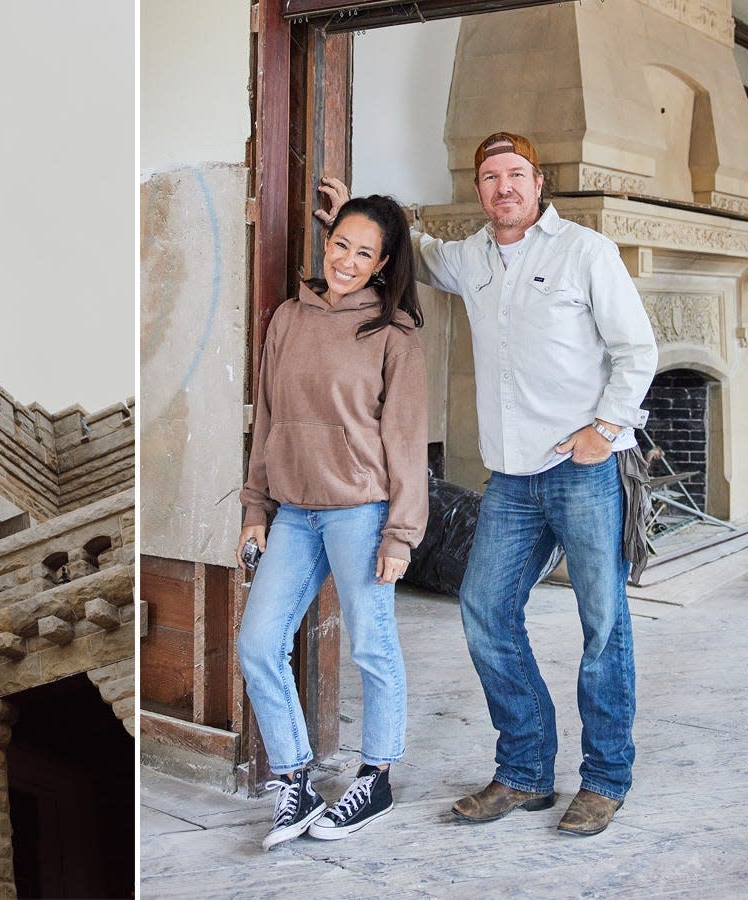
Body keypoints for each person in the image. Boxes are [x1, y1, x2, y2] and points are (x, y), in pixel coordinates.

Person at [320, 131, 658, 836]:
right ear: (480, 191)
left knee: (604, 626)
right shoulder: (468, 257)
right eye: (490, 177)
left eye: (516, 175)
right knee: (484, 611)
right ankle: (526, 771)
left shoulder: (584, 252)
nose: (504, 187)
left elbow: (637, 348)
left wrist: (605, 427)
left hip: (583, 468)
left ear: (539, 183)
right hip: (512, 476)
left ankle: (605, 779)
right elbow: (408, 246)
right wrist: (349, 220)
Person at [235, 194, 428, 850]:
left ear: (382, 265)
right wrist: (254, 509)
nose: (347, 260)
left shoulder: (393, 335)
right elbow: (267, 418)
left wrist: (401, 534)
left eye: (364, 252)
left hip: (360, 511)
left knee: (372, 644)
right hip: (292, 513)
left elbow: (404, 439)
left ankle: (375, 779)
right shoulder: (289, 317)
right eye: (340, 244)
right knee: (258, 643)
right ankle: (295, 784)